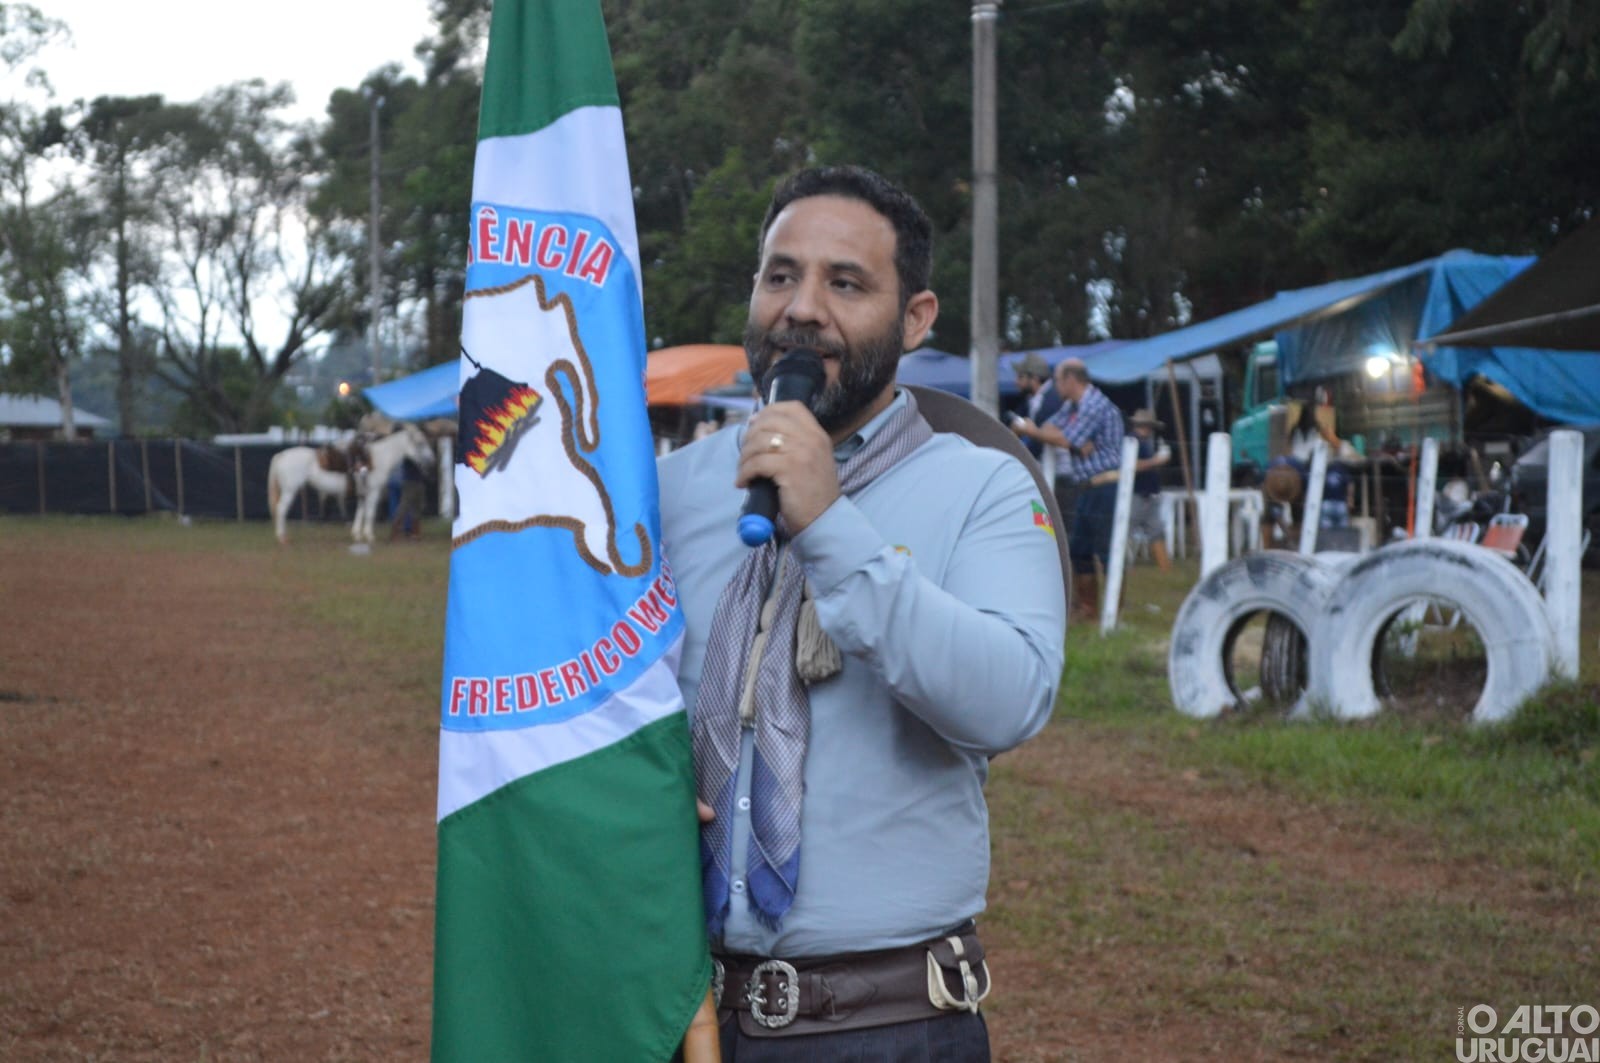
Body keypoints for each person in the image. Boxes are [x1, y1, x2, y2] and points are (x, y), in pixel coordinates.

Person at [657, 165, 1065, 1061]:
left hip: (889, 1027)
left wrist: (832, 528)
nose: (803, 308)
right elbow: (619, 700)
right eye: (780, 276)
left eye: (845, 283)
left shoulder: (983, 487)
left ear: (916, 318)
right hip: (683, 1022)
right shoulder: (674, 489)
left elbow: (1011, 700)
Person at [1012, 358, 1124, 622]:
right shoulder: (1073, 406)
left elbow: (1062, 437)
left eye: (1059, 380)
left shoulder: (1093, 405)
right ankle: (1088, 608)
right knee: (1080, 549)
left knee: (1107, 551)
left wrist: (1035, 432)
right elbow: (1053, 428)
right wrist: (1066, 440)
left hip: (1105, 484)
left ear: (1070, 380)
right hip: (1087, 484)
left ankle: (1111, 611)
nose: (1055, 385)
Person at [1128, 409, 1172, 570]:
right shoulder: (1133, 442)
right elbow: (1132, 465)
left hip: (1147, 495)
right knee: (1126, 531)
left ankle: (1165, 569)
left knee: (1157, 531)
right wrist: (1156, 461)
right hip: (1137, 495)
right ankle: (1121, 566)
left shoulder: (1142, 442)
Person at [1010, 352, 1061, 462]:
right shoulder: (1032, 400)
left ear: (1035, 379)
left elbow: (1039, 442)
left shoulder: (1052, 399)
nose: (1016, 382)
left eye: (1020, 377)